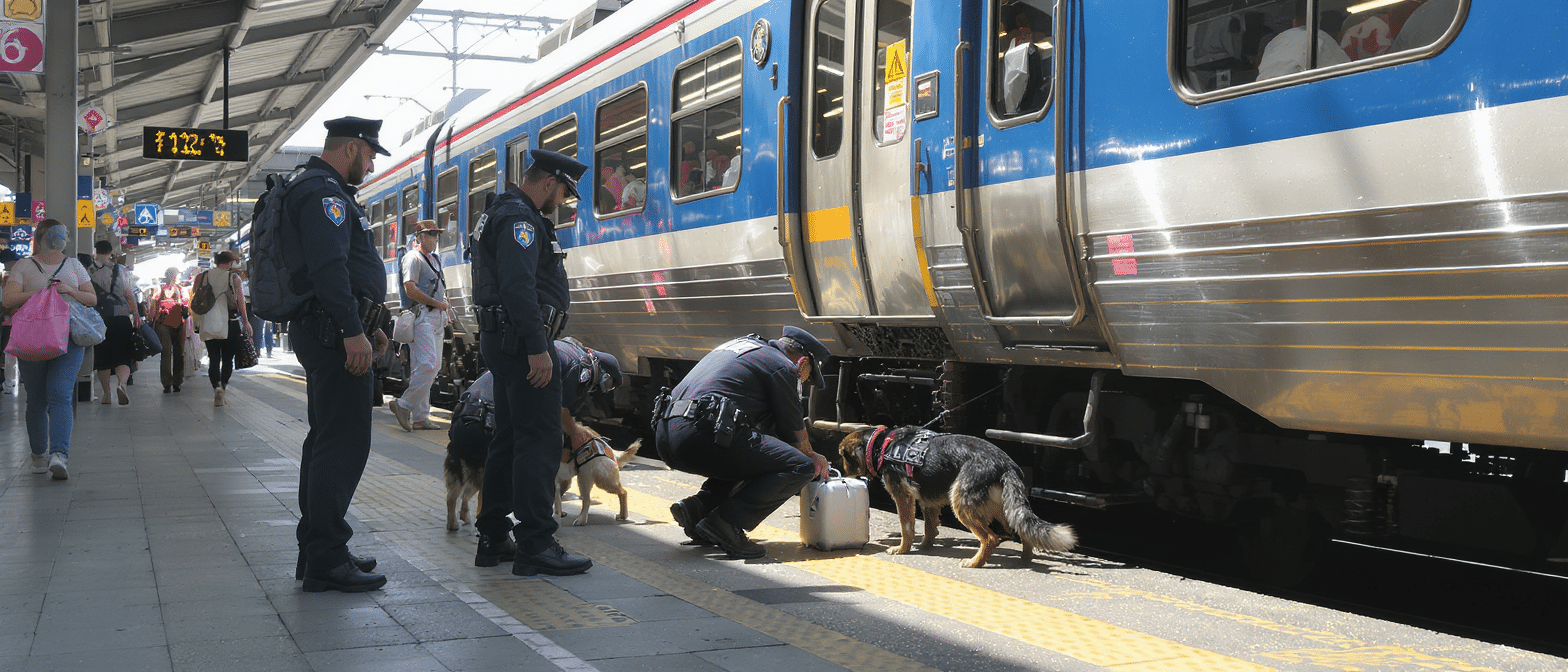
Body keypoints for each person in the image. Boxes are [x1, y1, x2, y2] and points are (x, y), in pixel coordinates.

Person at [284, 116, 392, 593]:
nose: (370, 165)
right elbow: (330, 268)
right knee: (343, 443)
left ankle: (318, 550)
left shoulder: (320, 189)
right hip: (332, 335)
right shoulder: (324, 193)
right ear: (351, 148)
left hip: (331, 331)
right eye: (369, 155)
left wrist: (373, 328)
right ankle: (327, 555)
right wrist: (352, 331)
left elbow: (344, 268)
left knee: (326, 440)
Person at [470, 148, 591, 577]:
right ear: (548, 182)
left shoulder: (504, 212)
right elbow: (519, 286)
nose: (561, 200)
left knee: (507, 438)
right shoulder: (520, 219)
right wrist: (539, 347)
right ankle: (537, 542)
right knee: (539, 441)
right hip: (522, 344)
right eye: (562, 191)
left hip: (504, 340)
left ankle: (493, 535)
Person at [656, 326, 833, 559]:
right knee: (799, 465)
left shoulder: (745, 349)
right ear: (802, 363)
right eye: (809, 376)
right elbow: (794, 433)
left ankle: (698, 511)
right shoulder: (782, 367)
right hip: (699, 434)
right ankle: (726, 523)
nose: (805, 380)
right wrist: (813, 457)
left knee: (762, 452)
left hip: (666, 435)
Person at [3, 220, 96, 480]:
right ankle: (39, 453)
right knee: (40, 398)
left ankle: (57, 454)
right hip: (34, 337)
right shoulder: (24, 265)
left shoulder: (74, 265)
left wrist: (69, 290)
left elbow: (92, 298)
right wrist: (40, 291)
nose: (60, 240)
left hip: (68, 338)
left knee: (57, 394)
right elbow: (8, 300)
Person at [390, 219, 449, 431]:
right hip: (422, 315)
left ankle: (421, 417)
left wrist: (444, 304)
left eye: (436, 234)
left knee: (429, 366)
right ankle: (403, 405)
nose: (435, 238)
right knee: (428, 364)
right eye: (431, 234)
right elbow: (410, 289)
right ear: (421, 237)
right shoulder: (413, 258)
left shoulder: (434, 259)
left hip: (436, 316)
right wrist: (437, 303)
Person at [194, 251, 252, 407]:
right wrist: (246, 321)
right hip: (230, 322)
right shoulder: (234, 278)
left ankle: (215, 388)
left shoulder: (202, 276)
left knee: (213, 358)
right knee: (227, 359)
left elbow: (196, 297)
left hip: (209, 322)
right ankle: (222, 387)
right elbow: (241, 302)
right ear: (230, 263)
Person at [89, 240, 140, 406]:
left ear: (96, 251)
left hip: (100, 318)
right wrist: (137, 314)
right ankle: (121, 384)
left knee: (103, 357)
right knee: (123, 356)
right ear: (110, 252)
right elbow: (129, 294)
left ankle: (106, 395)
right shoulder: (122, 270)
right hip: (121, 316)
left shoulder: (89, 271)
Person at [555, 337, 624, 449]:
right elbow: (561, 409)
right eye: (606, 386)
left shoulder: (575, 350)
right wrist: (575, 434)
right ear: (604, 375)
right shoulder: (582, 367)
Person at [1256, 0, 1351, 81]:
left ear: (1295, 21)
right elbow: (1347, 75)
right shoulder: (1319, 39)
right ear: (1319, 18)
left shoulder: (1275, 42)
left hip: (1262, 96)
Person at [146, 267, 188, 393]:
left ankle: (176, 382)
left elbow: (187, 306)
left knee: (179, 352)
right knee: (167, 352)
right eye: (174, 275)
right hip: (163, 324)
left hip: (179, 323)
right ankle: (167, 383)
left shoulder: (181, 289)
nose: (175, 277)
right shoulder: (159, 289)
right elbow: (153, 307)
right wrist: (150, 320)